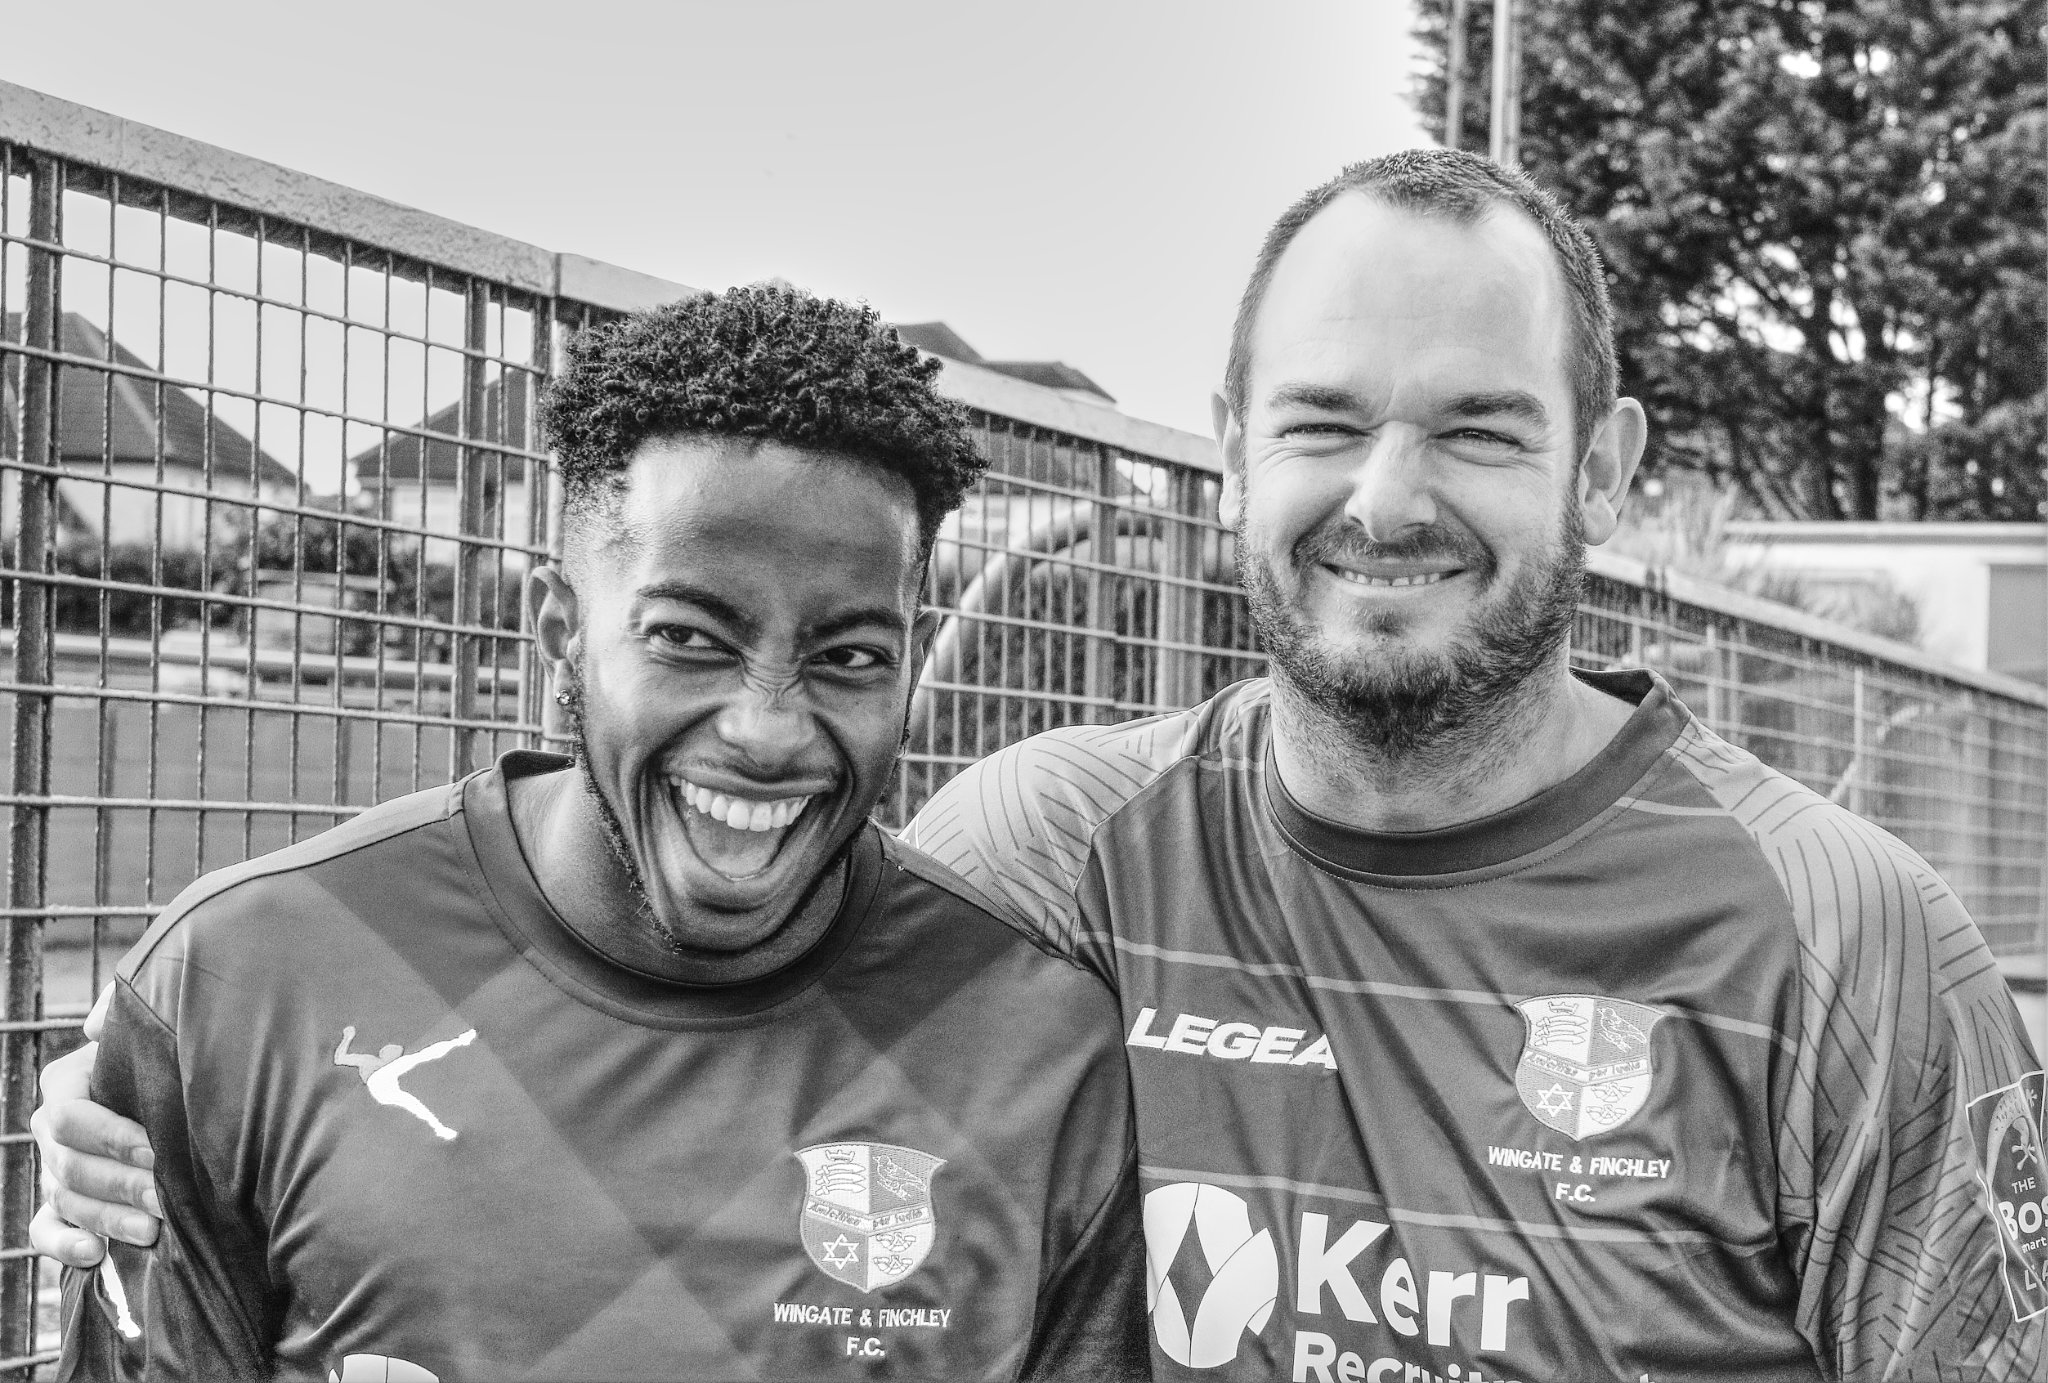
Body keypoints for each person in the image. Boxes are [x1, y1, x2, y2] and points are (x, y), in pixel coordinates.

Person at [34, 148, 2048, 1380]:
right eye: (1323, 421)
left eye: (1478, 429)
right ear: (1232, 448)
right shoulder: (1053, 847)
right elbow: (687, 989)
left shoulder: (1842, 943)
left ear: (1599, 471)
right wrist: (165, 1093)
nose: (1386, 496)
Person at [44, 284, 1147, 1381]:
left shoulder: (1039, 1048)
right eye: (688, 638)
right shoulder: (246, 977)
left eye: (850, 656)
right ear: (560, 632)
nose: (767, 731)